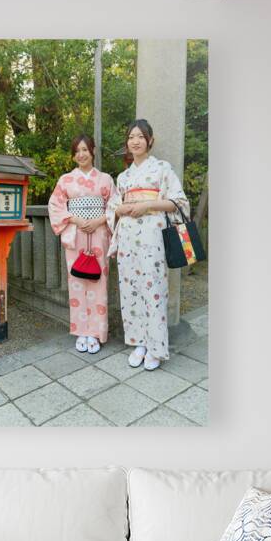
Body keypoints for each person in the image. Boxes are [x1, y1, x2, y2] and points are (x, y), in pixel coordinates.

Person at [106, 119, 189, 371]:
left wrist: (147, 205)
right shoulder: (123, 176)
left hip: (153, 236)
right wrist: (123, 208)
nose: (135, 141)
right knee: (130, 288)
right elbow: (112, 208)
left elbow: (178, 202)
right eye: (131, 136)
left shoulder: (162, 169)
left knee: (153, 288)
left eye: (141, 136)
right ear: (127, 142)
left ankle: (155, 346)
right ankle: (138, 342)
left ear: (150, 140)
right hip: (129, 238)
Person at [46, 134, 115, 353]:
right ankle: (81, 331)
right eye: (77, 151)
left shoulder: (105, 179)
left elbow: (114, 206)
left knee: (99, 281)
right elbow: (55, 206)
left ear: (93, 151)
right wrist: (74, 219)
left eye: (85, 150)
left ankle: (96, 332)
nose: (81, 154)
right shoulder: (65, 180)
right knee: (77, 280)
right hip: (75, 233)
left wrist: (98, 220)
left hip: (99, 232)